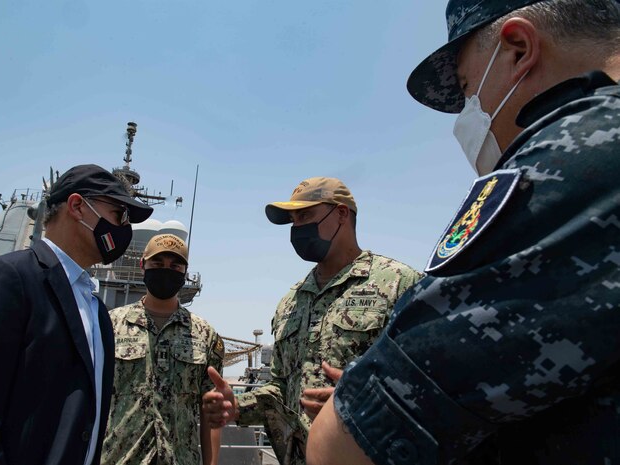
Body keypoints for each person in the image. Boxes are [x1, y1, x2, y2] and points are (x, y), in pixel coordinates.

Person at [306, 1, 620, 464]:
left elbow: (345, 447)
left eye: (470, 90)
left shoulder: (581, 155)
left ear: (517, 49)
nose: (469, 114)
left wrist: (347, 402)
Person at [0, 164, 153, 465]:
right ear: (77, 206)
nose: (123, 227)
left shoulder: (97, 311)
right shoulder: (4, 280)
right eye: (119, 214)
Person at [203, 177, 422, 465]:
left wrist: (368, 400)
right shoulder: (291, 301)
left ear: (341, 214)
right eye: (293, 221)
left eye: (305, 216)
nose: (297, 229)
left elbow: (432, 382)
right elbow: (282, 387)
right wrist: (238, 406)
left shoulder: (399, 284)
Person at [101, 233, 225, 465]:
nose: (166, 270)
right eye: (157, 264)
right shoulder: (110, 325)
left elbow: (211, 413)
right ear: (143, 266)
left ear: (185, 272)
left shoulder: (205, 334)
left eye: (175, 265)